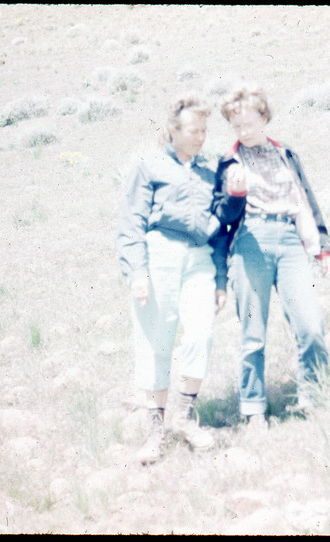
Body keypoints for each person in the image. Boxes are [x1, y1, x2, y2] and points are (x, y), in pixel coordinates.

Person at [115, 93, 228, 465]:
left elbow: (222, 226)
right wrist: (137, 271)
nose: (200, 137)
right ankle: (155, 430)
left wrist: (222, 279)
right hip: (159, 253)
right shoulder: (148, 165)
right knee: (156, 343)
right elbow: (131, 221)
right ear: (173, 130)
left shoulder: (210, 171)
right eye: (193, 130)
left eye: (204, 130)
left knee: (201, 332)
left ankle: (182, 417)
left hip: (199, 259)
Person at [213, 84, 330, 430]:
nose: (244, 131)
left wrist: (321, 247)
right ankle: (253, 410)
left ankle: (315, 399)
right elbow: (223, 215)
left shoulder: (286, 154)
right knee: (253, 332)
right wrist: (235, 193)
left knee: (310, 325)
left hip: (291, 241)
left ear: (264, 118)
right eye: (236, 126)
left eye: (249, 123)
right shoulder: (228, 162)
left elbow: (305, 198)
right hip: (251, 241)